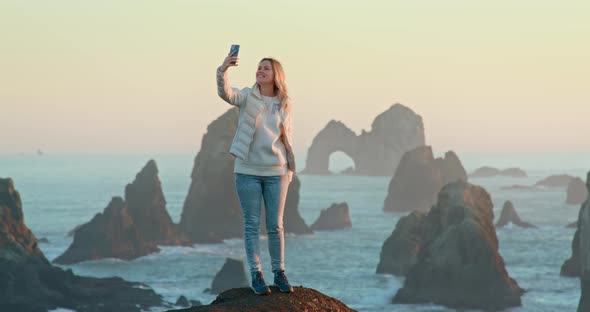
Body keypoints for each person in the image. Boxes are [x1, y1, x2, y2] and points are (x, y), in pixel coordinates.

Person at [216, 49, 296, 295]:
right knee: (251, 225)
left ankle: (279, 273)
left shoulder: (284, 102)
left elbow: (287, 137)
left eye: (266, 68)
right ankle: (257, 275)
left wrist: (289, 170)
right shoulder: (247, 97)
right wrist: (223, 70)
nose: (260, 70)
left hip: (277, 172)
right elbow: (226, 93)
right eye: (259, 67)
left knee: (276, 226)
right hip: (247, 171)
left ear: (275, 76)